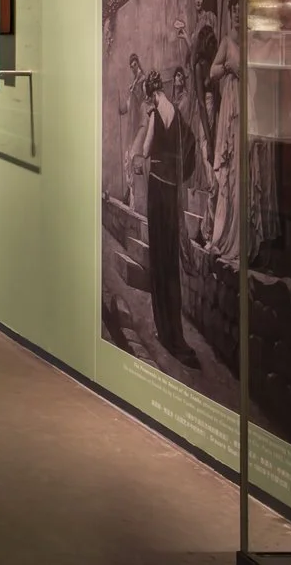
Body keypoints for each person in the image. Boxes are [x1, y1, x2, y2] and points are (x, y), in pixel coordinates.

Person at [128, 52, 203, 368]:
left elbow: (145, 151)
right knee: (170, 261)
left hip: (158, 191)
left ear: (150, 93)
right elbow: (191, 146)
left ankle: (166, 333)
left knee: (160, 261)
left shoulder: (155, 112)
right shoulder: (176, 112)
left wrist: (148, 120)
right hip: (172, 191)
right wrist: (178, 173)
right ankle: (174, 333)